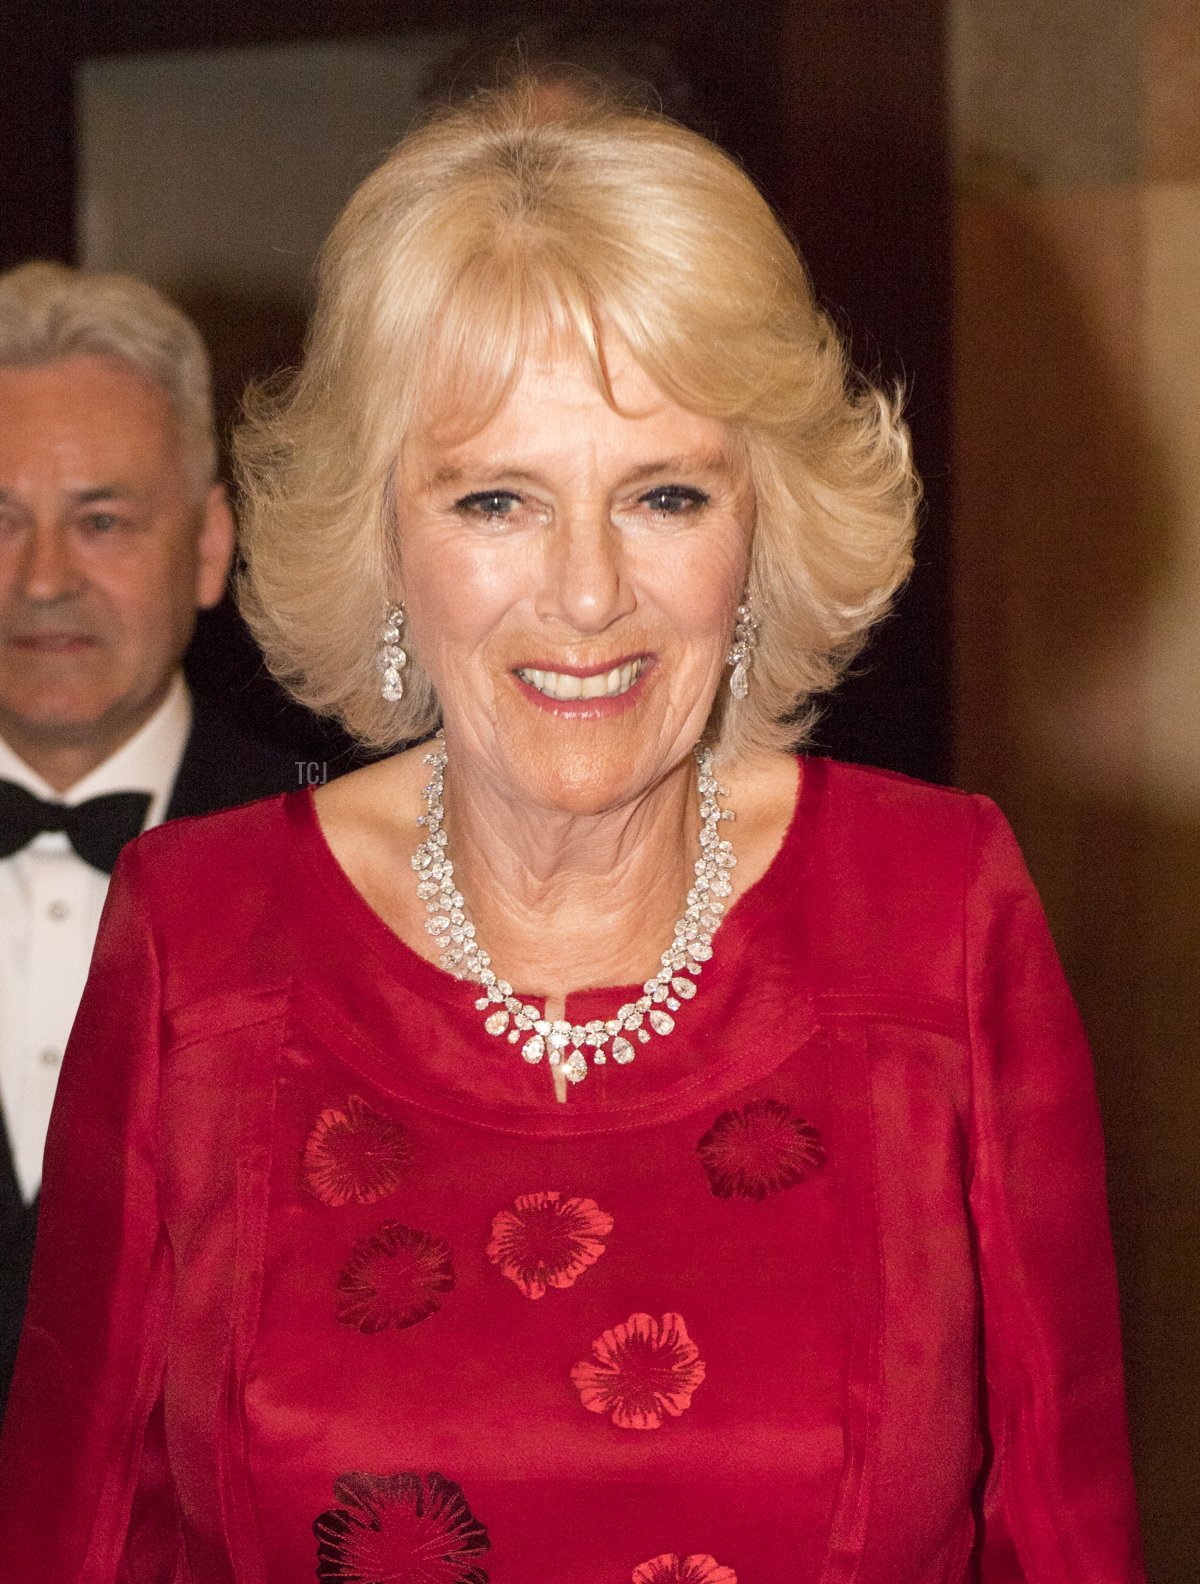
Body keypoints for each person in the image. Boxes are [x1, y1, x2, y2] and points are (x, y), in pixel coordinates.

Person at [0, 88, 1145, 1581]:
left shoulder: (935, 914)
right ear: (385, 538)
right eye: (497, 499)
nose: (589, 592)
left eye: (665, 492)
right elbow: (72, 1543)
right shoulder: (201, 943)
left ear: (762, 528)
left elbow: (1067, 1539)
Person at [0, 262, 306, 1415]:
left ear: (212, 544)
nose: (41, 580)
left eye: (102, 521)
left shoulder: (345, 867)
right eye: (0, 520)